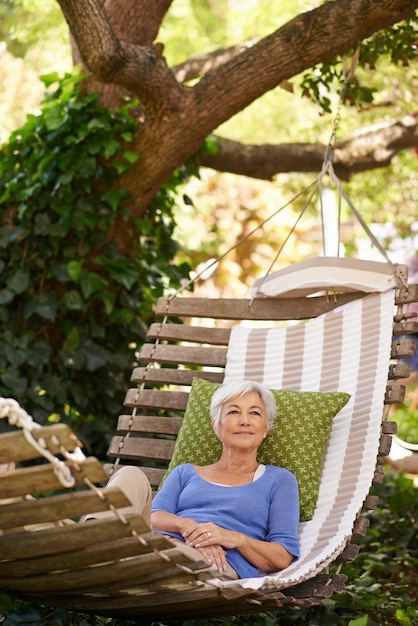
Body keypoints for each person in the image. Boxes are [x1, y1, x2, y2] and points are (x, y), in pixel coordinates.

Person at [88, 380, 300, 580]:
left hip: (217, 560)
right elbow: (153, 517)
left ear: (266, 428)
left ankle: (108, 551)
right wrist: (188, 527)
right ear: (216, 425)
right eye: (234, 411)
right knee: (130, 474)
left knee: (161, 554)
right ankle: (87, 540)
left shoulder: (279, 480)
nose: (244, 420)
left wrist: (234, 538)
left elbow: (282, 556)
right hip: (161, 541)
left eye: (255, 413)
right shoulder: (185, 473)